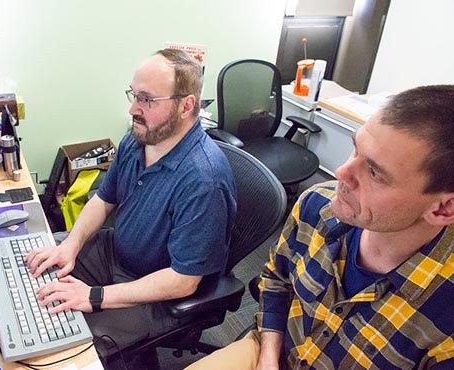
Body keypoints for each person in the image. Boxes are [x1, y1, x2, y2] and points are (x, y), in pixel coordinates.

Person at [188, 85, 454, 370]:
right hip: (273, 353)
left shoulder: (444, 310)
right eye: (355, 147)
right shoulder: (317, 205)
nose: (342, 172)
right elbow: (276, 280)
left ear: (442, 208)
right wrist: (267, 356)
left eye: (375, 173)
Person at [25, 49, 236, 360]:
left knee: (65, 344)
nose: (133, 109)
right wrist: (70, 245)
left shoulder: (203, 180)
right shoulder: (138, 139)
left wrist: (94, 297)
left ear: (186, 105)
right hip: (116, 253)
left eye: (147, 100)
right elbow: (103, 199)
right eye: (134, 95)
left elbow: (183, 281)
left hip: (159, 293)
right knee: (35, 268)